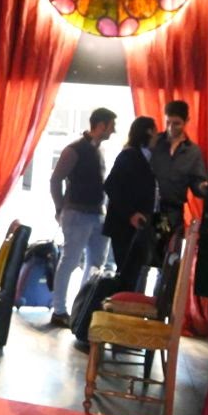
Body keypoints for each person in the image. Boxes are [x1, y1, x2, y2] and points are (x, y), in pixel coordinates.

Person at [48, 107, 117, 327]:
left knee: (96, 265)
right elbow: (55, 180)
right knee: (69, 261)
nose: (113, 130)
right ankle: (59, 310)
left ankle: (81, 310)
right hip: (77, 213)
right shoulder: (74, 149)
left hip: (96, 213)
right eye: (111, 126)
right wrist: (60, 209)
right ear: (101, 125)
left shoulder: (98, 149)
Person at [102, 115, 158, 292]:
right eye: (155, 132)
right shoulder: (129, 155)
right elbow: (111, 185)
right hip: (124, 225)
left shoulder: (143, 157)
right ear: (148, 132)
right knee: (127, 273)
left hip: (134, 224)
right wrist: (131, 213)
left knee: (134, 272)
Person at [150, 99, 208, 230]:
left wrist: (203, 187)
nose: (171, 128)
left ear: (187, 121)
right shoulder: (153, 142)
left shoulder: (193, 152)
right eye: (168, 122)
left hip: (172, 212)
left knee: (167, 242)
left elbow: (197, 184)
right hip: (147, 208)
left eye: (176, 123)